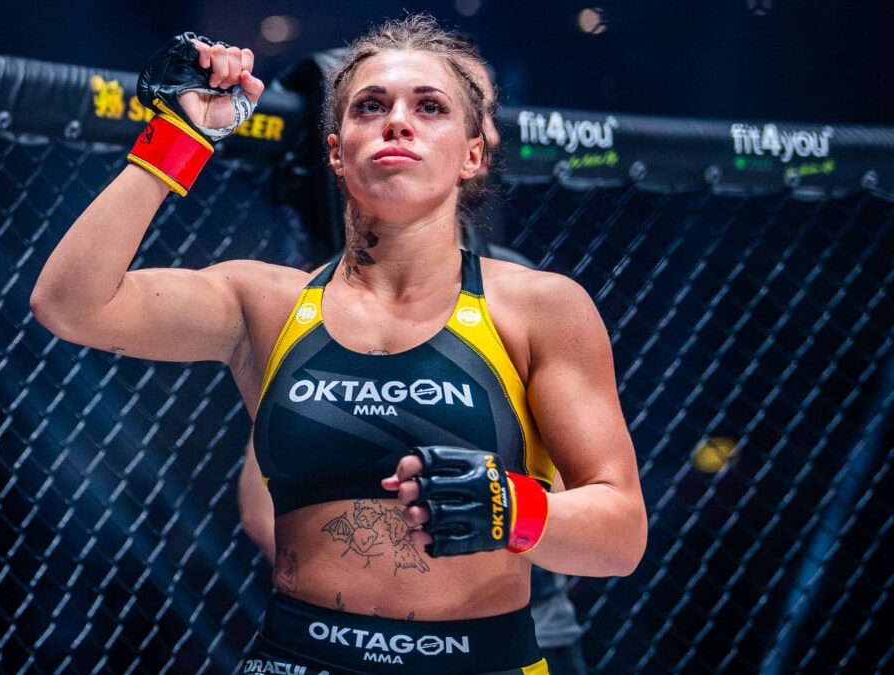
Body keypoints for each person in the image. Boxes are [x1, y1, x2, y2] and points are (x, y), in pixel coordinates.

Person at [32, 13, 647, 674]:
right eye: (371, 106)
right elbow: (70, 304)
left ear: (472, 154)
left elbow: (621, 535)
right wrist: (182, 135)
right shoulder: (266, 303)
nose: (397, 121)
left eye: (430, 107)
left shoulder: (539, 307)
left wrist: (513, 509)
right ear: (335, 149)